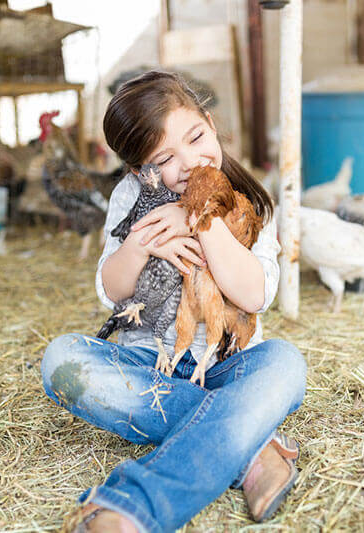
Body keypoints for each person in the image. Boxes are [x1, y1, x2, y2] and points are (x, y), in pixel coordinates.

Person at [41, 70, 307, 533]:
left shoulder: (250, 200)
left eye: (196, 137)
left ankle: (136, 505)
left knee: (285, 363)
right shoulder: (131, 196)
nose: (188, 163)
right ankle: (249, 449)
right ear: (139, 169)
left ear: (209, 120)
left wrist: (201, 221)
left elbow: (255, 295)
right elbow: (111, 289)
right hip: (150, 363)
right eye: (165, 157)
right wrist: (140, 244)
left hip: (227, 366)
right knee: (61, 359)